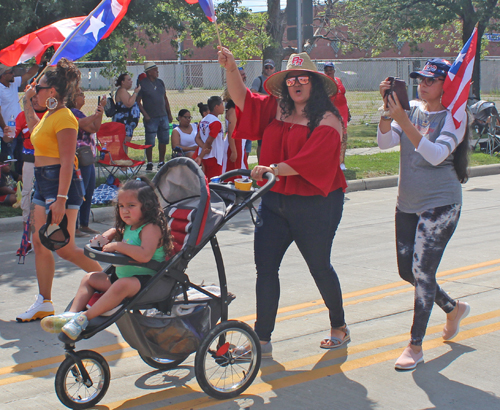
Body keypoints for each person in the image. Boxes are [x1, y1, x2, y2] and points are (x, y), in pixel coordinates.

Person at [219, 46, 348, 357]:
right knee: (265, 268)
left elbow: (312, 160)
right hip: (275, 199)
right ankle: (262, 340)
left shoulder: (329, 119)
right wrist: (232, 68)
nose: (297, 84)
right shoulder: (277, 108)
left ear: (315, 83)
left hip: (317, 202)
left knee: (319, 266)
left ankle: (339, 326)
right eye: (291, 80)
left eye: (303, 78)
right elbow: (243, 101)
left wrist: (274, 169)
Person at [377, 58, 471, 370]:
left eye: (431, 80)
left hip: (441, 205)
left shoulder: (456, 117)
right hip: (407, 203)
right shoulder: (414, 109)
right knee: (408, 271)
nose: (424, 84)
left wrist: (402, 120)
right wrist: (386, 115)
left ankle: (415, 346)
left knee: (423, 274)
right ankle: (452, 308)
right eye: (421, 79)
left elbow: (433, 155)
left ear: (448, 86)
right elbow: (385, 142)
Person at [16, 59, 102, 323]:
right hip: (44, 181)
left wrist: (61, 199)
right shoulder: (49, 116)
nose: (35, 91)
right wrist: (26, 103)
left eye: (38, 88)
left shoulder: (65, 118)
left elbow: (67, 160)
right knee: (41, 243)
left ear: (51, 91)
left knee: (64, 248)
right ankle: (44, 301)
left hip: (60, 183)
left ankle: (108, 284)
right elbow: (34, 131)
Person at [40, 176, 173, 340]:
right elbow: (117, 234)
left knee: (122, 285)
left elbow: (144, 255)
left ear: (147, 207)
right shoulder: (130, 226)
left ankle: (84, 318)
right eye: (121, 206)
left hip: (144, 281)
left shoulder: (151, 228)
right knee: (90, 278)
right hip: (121, 277)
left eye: (131, 206)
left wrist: (118, 246)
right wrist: (107, 236)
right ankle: (71, 314)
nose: (125, 210)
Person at [66, 88, 106, 237]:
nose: (83, 97)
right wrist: (97, 114)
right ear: (73, 98)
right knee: (79, 192)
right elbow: (85, 124)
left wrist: (99, 112)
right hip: (80, 157)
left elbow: (95, 127)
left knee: (88, 191)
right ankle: (75, 225)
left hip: (89, 156)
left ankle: (84, 223)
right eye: (80, 95)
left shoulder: (81, 113)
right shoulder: (73, 112)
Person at [14, 94, 47, 254]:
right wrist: (7, 133)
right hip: (29, 161)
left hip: (49, 161)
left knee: (49, 198)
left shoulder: (52, 114)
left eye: (37, 97)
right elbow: (11, 136)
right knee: (27, 197)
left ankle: (47, 237)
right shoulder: (22, 115)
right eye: (31, 98)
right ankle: (26, 240)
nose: (35, 100)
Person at [137, 62, 173, 171]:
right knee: (150, 141)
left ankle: (161, 161)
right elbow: (138, 102)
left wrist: (169, 113)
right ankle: (150, 162)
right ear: (149, 72)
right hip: (151, 117)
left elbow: (165, 99)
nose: (157, 72)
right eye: (155, 70)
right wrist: (146, 115)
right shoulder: (142, 84)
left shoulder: (160, 82)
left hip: (163, 116)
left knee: (163, 140)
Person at [0, 63, 40, 158]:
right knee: (8, 161)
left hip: (20, 129)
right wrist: (5, 128)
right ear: (3, 75)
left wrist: (38, 62)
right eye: (11, 72)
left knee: (21, 159)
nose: (13, 74)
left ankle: (19, 173)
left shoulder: (13, 82)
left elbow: (30, 74)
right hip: (8, 131)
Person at [324, 62, 350, 171]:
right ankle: (330, 162)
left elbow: (343, 95)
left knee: (343, 138)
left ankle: (341, 162)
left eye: (331, 69)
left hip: (343, 112)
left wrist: (348, 111)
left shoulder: (338, 80)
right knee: (332, 138)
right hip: (332, 113)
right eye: (327, 69)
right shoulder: (324, 83)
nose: (329, 71)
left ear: (334, 70)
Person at [195, 96, 225, 180]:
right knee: (214, 181)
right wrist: (200, 156)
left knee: (206, 180)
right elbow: (209, 141)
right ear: (216, 107)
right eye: (222, 104)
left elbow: (197, 138)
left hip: (205, 155)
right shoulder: (216, 122)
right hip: (214, 156)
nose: (224, 107)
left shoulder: (203, 120)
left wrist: (203, 150)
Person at [113, 73, 141, 152]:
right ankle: (122, 161)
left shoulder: (124, 91)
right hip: (123, 122)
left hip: (128, 123)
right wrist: (135, 93)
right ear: (122, 82)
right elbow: (128, 104)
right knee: (124, 143)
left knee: (126, 143)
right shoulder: (121, 90)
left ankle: (124, 160)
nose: (131, 81)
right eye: (128, 80)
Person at [222, 90, 247, 177]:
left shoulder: (236, 108)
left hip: (239, 142)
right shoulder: (233, 111)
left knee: (240, 166)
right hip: (235, 143)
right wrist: (233, 151)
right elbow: (231, 132)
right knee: (234, 170)